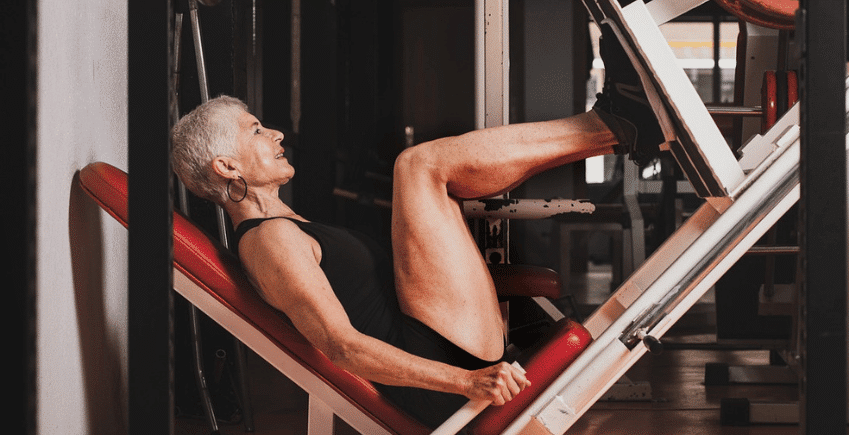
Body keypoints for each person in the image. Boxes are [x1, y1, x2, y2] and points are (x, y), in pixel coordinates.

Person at [170, 26, 662, 428]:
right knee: (418, 166)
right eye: (256, 130)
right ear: (227, 168)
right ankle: (617, 127)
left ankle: (618, 129)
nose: (275, 133)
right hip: (445, 368)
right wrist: (466, 382)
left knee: (431, 174)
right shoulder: (269, 240)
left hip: (444, 342)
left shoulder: (282, 225)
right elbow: (343, 346)